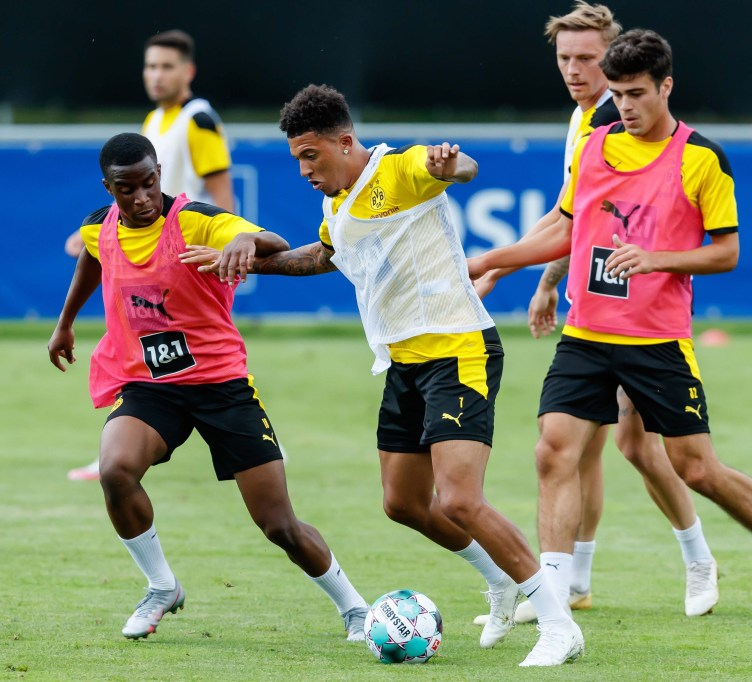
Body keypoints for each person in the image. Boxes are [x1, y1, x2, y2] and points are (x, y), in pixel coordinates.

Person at [182, 84, 583, 667]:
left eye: (310, 155)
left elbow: (458, 166)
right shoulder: (337, 203)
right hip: (403, 363)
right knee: (403, 502)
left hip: (458, 351)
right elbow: (320, 257)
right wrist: (241, 257)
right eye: (296, 158)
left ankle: (556, 622)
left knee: (460, 500)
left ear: (346, 142)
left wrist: (453, 165)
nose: (303, 169)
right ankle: (498, 580)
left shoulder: (398, 170)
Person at [467, 30, 752, 623]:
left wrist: (658, 257)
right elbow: (564, 229)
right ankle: (553, 596)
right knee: (554, 452)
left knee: (696, 468)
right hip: (587, 335)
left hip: (657, 341)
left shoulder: (701, 157)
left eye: (636, 94)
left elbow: (727, 252)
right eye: (618, 94)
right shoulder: (595, 146)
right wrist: (490, 262)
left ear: (666, 86)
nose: (625, 107)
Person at [48, 132, 369, 641]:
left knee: (278, 525)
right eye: (127, 189)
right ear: (109, 188)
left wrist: (244, 240)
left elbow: (272, 242)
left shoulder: (193, 218)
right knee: (115, 470)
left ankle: (354, 609)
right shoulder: (98, 227)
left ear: (159, 175)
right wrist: (65, 322)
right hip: (153, 386)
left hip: (222, 385)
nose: (142, 198)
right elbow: (93, 256)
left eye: (150, 183)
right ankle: (161, 586)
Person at [474, 1, 718, 624]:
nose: (576, 70)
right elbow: (575, 221)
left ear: (612, 57)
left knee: (630, 448)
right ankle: (574, 579)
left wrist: (503, 269)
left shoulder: (615, 116)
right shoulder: (584, 117)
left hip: (638, 310)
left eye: (587, 58)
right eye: (565, 59)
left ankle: (695, 558)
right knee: (578, 449)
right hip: (597, 306)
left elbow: (577, 221)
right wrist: (546, 281)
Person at [67, 29, 235, 481]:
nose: (157, 75)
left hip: (184, 259)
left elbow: (222, 196)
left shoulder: (198, 120)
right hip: (145, 251)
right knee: (135, 339)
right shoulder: (152, 122)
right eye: (150, 66)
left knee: (201, 355)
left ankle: (244, 436)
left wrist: (225, 254)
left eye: (167, 66)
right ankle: (125, 439)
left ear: (188, 72)